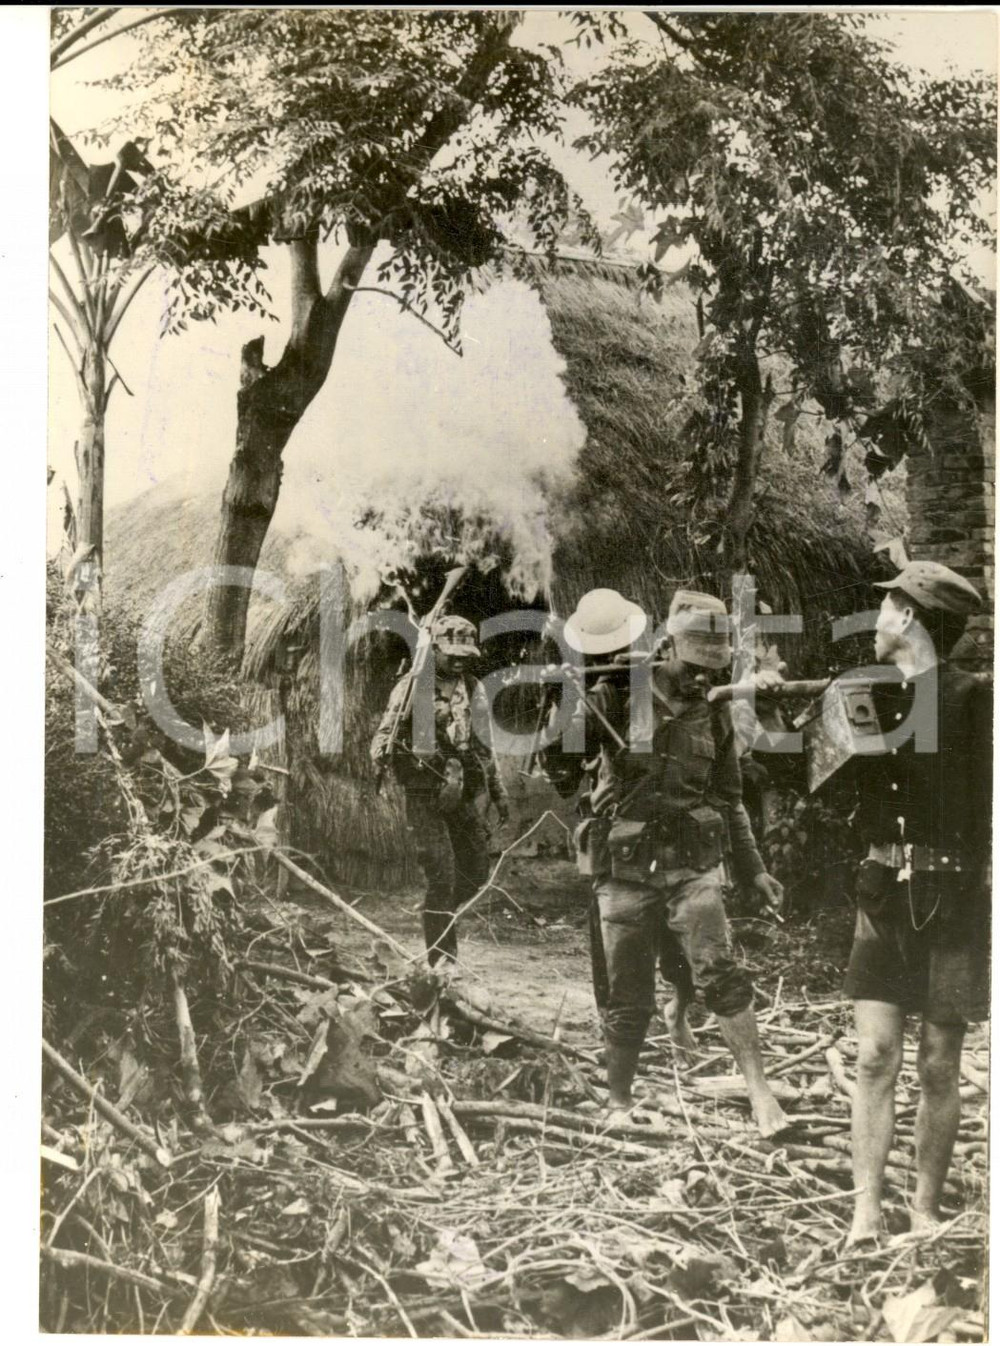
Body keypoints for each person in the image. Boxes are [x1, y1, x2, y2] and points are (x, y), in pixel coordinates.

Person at [544, 587, 790, 1138]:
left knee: (721, 974)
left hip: (692, 867)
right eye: (694, 664)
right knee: (628, 991)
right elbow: (559, 768)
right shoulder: (612, 695)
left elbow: (728, 800)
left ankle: (760, 1093)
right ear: (665, 646)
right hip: (626, 868)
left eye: (713, 667)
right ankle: (619, 1099)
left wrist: (753, 869)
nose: (702, 677)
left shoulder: (717, 713)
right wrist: (569, 706)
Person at [843, 561, 991, 1245]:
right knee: (874, 1054)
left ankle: (924, 1209)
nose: (873, 622)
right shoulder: (864, 695)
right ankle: (865, 1212)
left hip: (955, 901)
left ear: (907, 617)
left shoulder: (974, 701)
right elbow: (805, 775)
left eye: (883, 609)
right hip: (881, 896)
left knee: (937, 1061)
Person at [370, 614, 509, 966]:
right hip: (424, 790)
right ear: (435, 649)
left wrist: (497, 790)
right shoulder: (412, 687)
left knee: (476, 870)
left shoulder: (473, 688)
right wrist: (383, 752)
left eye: (465, 652)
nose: (459, 658)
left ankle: (437, 912)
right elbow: (383, 735)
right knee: (442, 875)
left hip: (459, 786)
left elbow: (483, 746)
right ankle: (443, 960)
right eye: (451, 652)